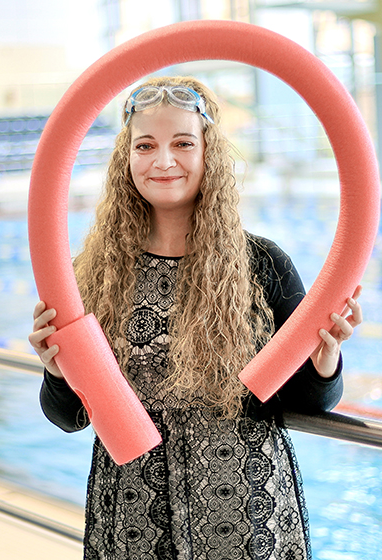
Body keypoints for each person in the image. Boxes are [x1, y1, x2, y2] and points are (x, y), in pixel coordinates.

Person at [29, 76, 363, 560]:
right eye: (145, 145)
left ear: (209, 152)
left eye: (182, 143)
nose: (163, 161)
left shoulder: (263, 264)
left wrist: (326, 358)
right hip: (132, 522)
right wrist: (56, 370)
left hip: (247, 516)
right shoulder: (90, 274)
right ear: (127, 158)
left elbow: (308, 403)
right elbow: (69, 417)